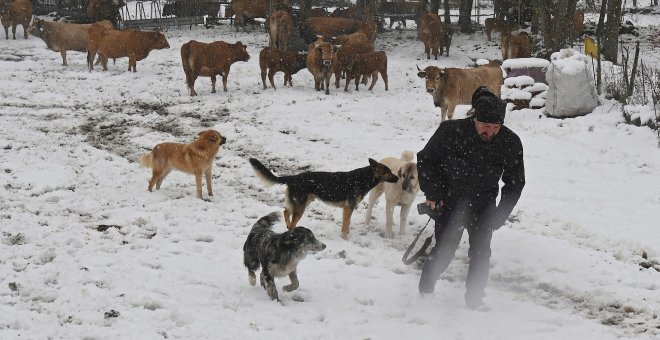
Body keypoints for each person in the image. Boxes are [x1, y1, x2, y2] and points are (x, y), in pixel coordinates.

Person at [416, 86, 526, 309]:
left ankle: (474, 301)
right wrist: (433, 193)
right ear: (475, 118)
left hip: (484, 205)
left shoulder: (509, 141)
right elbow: (427, 160)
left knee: (481, 254)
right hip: (450, 202)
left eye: (496, 127)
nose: (490, 132)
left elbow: (515, 182)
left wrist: (500, 213)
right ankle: (426, 291)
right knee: (444, 250)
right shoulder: (450, 131)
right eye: (486, 126)